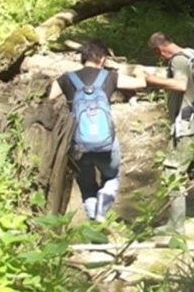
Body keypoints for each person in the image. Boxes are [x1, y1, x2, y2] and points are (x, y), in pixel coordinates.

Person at [48, 39, 145, 221]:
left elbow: (47, 97)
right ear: (102, 58)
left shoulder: (67, 78)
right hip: (106, 143)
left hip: (77, 144)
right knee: (111, 177)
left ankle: (94, 218)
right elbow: (140, 84)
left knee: (86, 186)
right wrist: (139, 72)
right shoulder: (109, 76)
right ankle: (102, 210)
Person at [135, 32, 194, 232]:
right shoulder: (192, 54)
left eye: (157, 55)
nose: (160, 58)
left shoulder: (178, 60)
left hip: (187, 124)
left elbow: (181, 84)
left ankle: (176, 225)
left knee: (172, 171)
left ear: (159, 49)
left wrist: (149, 79)